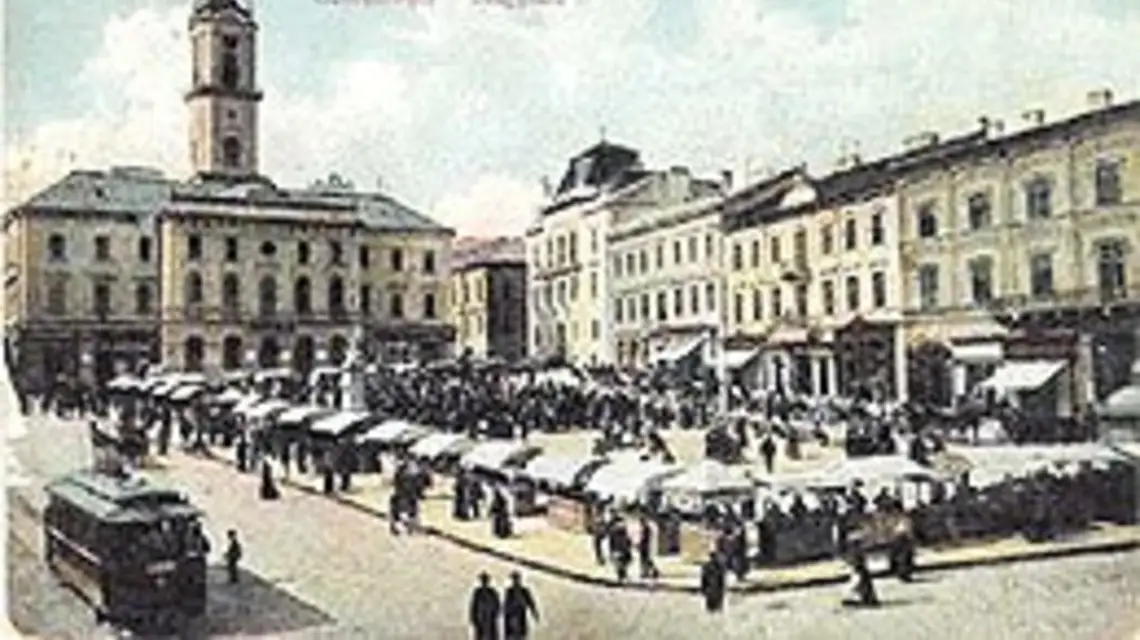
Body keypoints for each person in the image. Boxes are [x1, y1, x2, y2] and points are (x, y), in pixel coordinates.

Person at [502, 571, 539, 640]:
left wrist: (534, 613)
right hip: (511, 617)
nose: (515, 581)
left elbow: (530, 603)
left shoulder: (524, 591)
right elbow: (506, 605)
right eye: (514, 579)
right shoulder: (510, 591)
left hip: (521, 616)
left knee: (521, 635)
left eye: (516, 579)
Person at [468, 572, 501, 640]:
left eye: (485, 580)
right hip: (480, 618)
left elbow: (497, 605)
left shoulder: (492, 592)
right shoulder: (478, 592)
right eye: (483, 580)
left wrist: (494, 614)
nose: (484, 582)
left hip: (490, 618)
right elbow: (474, 605)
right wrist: (474, 618)